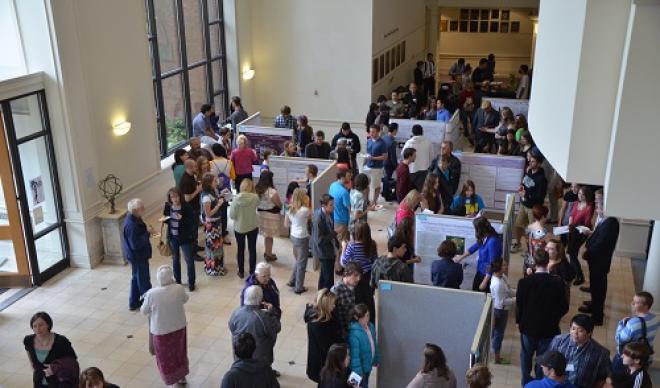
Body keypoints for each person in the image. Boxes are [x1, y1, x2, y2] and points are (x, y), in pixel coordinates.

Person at [516, 249, 570, 386]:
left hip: (528, 329)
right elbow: (564, 307)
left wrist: (520, 323)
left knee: (526, 357)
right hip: (549, 330)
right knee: (545, 360)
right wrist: (554, 318)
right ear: (548, 262)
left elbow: (519, 306)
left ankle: (526, 383)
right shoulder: (558, 283)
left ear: (534, 263)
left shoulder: (524, 283)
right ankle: (541, 383)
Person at [140, 265, 189, 387]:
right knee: (180, 352)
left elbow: (143, 311)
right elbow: (185, 299)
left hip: (161, 332)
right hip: (179, 328)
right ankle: (181, 376)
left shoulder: (152, 293)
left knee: (165, 357)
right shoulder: (178, 288)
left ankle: (171, 380)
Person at [578, 191, 620, 325]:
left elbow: (601, 244)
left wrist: (587, 252)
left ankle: (597, 317)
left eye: (599, 205)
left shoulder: (611, 223)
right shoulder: (605, 220)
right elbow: (597, 236)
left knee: (599, 290)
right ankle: (593, 306)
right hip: (596, 261)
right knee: (595, 287)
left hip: (600, 262)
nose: (596, 208)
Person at [548, 314, 611, 388]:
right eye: (573, 328)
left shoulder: (601, 353)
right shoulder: (559, 341)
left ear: (589, 333)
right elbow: (548, 363)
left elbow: (602, 377)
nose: (575, 333)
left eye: (580, 330)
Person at [229, 285, 282, 372]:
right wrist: (272, 312)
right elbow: (277, 328)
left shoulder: (236, 312)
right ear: (260, 299)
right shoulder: (263, 317)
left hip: (240, 355)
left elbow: (232, 327)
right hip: (259, 358)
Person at [24, 312, 79, 388]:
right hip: (39, 381)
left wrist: (55, 368)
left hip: (59, 381)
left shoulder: (61, 341)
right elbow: (28, 351)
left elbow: (73, 361)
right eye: (34, 326)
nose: (37, 329)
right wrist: (33, 367)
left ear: (48, 325)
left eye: (41, 325)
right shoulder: (28, 340)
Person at [613, 291, 658, 375]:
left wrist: (621, 324)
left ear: (645, 306)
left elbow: (619, 339)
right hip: (645, 358)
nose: (632, 303)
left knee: (617, 378)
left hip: (629, 358)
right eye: (633, 301)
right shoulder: (655, 319)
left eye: (636, 302)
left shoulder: (633, 323)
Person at [341, 222, 378, 321]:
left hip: (355, 276)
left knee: (358, 300)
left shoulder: (352, 246)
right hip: (368, 275)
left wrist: (344, 247)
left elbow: (343, 262)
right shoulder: (372, 244)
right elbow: (375, 262)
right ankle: (370, 320)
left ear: (356, 233)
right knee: (368, 299)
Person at [454, 217, 502, 291]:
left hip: (486, 275)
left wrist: (485, 281)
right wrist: (461, 257)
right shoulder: (485, 237)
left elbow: (493, 263)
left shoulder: (493, 242)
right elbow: (473, 248)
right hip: (480, 271)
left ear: (480, 229)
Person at [512, 152, 548, 253]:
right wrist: (521, 186)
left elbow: (540, 198)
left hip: (533, 208)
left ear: (539, 163)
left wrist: (526, 196)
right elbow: (524, 182)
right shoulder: (529, 171)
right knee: (518, 225)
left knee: (532, 231)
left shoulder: (542, 180)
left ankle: (530, 250)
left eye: (533, 161)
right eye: (530, 160)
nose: (530, 162)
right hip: (523, 205)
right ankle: (518, 243)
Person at [305, 289, 343, 383]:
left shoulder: (327, 315)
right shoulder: (317, 324)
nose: (334, 306)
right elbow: (326, 347)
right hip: (322, 362)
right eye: (332, 304)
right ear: (325, 306)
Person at [163, 187, 196, 291]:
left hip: (185, 238)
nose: (175, 199)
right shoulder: (168, 206)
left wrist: (182, 218)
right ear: (170, 198)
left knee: (189, 260)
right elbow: (166, 219)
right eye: (172, 197)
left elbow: (193, 222)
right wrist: (165, 220)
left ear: (180, 196)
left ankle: (191, 283)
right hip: (173, 237)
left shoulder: (186, 207)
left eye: (176, 196)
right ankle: (177, 281)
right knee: (175, 260)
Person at [122, 198, 153, 310]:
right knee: (143, 280)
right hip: (138, 256)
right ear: (135, 210)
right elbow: (135, 244)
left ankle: (133, 302)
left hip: (136, 256)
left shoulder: (134, 219)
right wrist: (147, 233)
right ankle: (148, 303)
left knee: (136, 279)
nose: (144, 209)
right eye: (141, 208)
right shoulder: (132, 225)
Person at [230, 179, 260, 278]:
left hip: (240, 227)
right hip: (252, 226)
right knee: (252, 249)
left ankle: (241, 272)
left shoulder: (236, 199)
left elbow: (232, 215)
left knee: (240, 249)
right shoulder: (255, 197)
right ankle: (252, 271)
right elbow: (257, 206)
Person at [285, 188, 312, 294]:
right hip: (302, 237)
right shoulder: (305, 210)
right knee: (302, 263)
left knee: (299, 260)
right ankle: (299, 287)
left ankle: (292, 281)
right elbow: (311, 216)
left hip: (293, 235)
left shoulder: (290, 209)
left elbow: (286, 224)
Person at [489, 257, 516, 364]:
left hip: (502, 309)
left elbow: (509, 290)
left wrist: (519, 292)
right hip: (499, 311)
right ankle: (497, 356)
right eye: (504, 265)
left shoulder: (502, 277)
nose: (506, 266)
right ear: (498, 268)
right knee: (498, 333)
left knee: (497, 332)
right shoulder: (497, 284)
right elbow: (502, 302)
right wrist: (517, 299)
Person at [566, 186, 595, 285]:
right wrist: (570, 223)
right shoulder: (576, 203)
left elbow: (586, 223)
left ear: (587, 195)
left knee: (572, 255)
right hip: (572, 230)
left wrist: (575, 225)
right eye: (579, 194)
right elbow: (571, 215)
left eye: (583, 194)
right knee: (571, 253)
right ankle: (573, 273)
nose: (580, 196)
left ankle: (580, 276)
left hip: (580, 233)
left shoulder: (589, 207)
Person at [200, 172, 226, 276]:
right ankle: (214, 269)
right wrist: (218, 205)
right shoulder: (206, 197)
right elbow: (208, 214)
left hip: (216, 223)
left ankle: (217, 267)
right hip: (212, 226)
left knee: (217, 246)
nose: (217, 182)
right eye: (215, 181)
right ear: (209, 183)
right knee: (213, 247)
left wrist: (220, 196)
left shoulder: (211, 192)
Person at [348, 304, 380, 388]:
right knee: (358, 385)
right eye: (365, 316)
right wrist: (358, 372)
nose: (367, 318)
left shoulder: (371, 327)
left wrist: (376, 359)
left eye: (368, 315)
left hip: (367, 366)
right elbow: (354, 356)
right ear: (357, 317)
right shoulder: (354, 334)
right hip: (359, 371)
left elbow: (374, 344)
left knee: (365, 384)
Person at [178, 158, 205, 258]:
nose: (196, 167)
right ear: (189, 167)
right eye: (194, 166)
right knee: (192, 231)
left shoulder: (191, 176)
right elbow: (187, 198)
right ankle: (192, 253)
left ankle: (195, 246)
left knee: (195, 230)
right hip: (190, 209)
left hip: (195, 207)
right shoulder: (185, 180)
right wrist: (198, 190)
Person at [255, 170, 283, 263]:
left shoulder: (257, 189)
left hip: (260, 215)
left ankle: (267, 252)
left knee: (266, 235)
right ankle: (269, 254)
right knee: (270, 236)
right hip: (271, 216)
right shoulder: (272, 191)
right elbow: (278, 204)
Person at [312, 194, 339, 290]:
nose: (333, 207)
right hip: (324, 252)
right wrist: (334, 233)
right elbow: (319, 240)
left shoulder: (329, 213)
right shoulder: (319, 218)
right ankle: (327, 299)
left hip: (330, 250)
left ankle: (321, 296)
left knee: (324, 276)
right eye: (331, 205)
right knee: (328, 279)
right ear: (323, 205)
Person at [210, 143, 234, 245]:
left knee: (214, 212)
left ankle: (216, 233)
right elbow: (233, 176)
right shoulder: (229, 162)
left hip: (214, 191)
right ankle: (224, 233)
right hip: (226, 191)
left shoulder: (210, 163)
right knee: (224, 212)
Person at [332, 262, 363, 336]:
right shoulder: (336, 290)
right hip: (344, 331)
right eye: (355, 275)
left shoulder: (359, 286)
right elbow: (334, 316)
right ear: (346, 274)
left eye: (360, 276)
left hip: (356, 327)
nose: (358, 279)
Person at [430, 141, 462, 212]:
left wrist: (443, 170)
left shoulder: (455, 162)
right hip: (436, 190)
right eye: (441, 148)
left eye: (444, 148)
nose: (441, 150)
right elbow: (430, 170)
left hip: (447, 192)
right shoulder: (438, 158)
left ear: (450, 150)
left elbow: (454, 181)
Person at [402, 125, 434, 190]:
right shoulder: (428, 142)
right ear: (422, 132)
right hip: (424, 170)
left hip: (411, 169)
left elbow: (403, 154)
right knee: (420, 190)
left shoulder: (409, 142)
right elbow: (432, 156)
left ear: (412, 132)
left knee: (410, 190)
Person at [329, 169, 353, 251]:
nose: (350, 178)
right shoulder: (344, 192)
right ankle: (341, 262)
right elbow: (350, 210)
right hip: (343, 221)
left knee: (338, 242)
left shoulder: (332, 185)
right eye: (349, 176)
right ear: (342, 177)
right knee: (343, 245)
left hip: (334, 218)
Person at [364, 124, 388, 203]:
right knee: (365, 184)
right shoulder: (369, 140)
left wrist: (373, 158)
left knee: (376, 186)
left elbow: (385, 157)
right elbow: (368, 152)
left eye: (373, 132)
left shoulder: (382, 143)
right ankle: (366, 200)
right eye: (370, 132)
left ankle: (374, 202)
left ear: (378, 132)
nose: (371, 134)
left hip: (377, 168)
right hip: (367, 166)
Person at [382, 123, 399, 201]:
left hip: (383, 161)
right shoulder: (392, 142)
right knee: (388, 179)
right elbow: (393, 157)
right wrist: (397, 166)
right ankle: (387, 195)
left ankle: (384, 192)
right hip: (389, 163)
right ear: (395, 130)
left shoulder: (384, 137)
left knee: (385, 178)